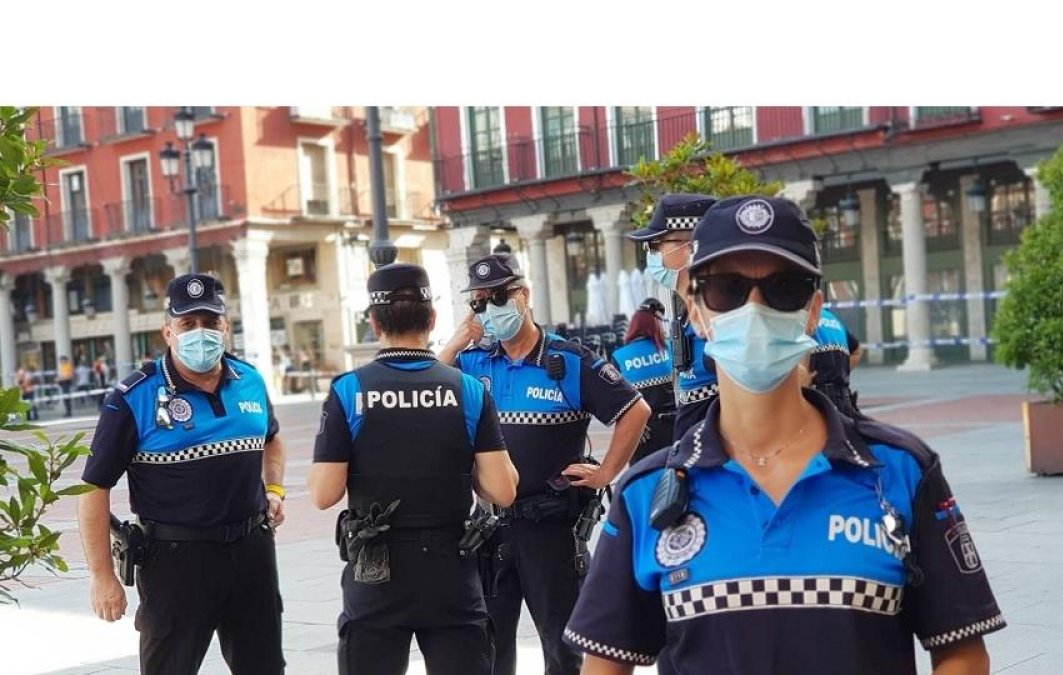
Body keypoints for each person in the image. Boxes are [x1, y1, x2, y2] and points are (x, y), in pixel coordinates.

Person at [565, 196, 1004, 674]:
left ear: (813, 311)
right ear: (695, 310)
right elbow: (604, 665)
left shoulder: (900, 471)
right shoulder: (646, 494)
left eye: (785, 288)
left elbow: (960, 650)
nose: (754, 308)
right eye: (727, 289)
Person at [437, 253, 651, 675]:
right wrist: (454, 343)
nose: (489, 309)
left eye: (497, 297)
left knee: (565, 647)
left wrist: (607, 472)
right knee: (488, 649)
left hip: (550, 530)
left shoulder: (568, 360)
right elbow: (426, 389)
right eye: (479, 303)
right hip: (491, 529)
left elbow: (635, 410)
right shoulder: (473, 361)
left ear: (524, 295)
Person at [309, 262, 519, 675]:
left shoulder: (350, 390)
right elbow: (504, 489)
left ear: (373, 322)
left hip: (377, 570)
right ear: (432, 318)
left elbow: (323, 494)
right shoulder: (467, 390)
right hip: (451, 569)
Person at [76, 273, 288, 675]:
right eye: (188, 324)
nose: (200, 333)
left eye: (210, 323)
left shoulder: (250, 381)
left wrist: (274, 489)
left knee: (264, 667)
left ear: (226, 328)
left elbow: (272, 440)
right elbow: (92, 488)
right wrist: (101, 576)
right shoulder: (132, 398)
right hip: (176, 561)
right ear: (168, 332)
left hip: (252, 554)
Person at [625, 194, 719, 443]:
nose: (651, 254)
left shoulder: (717, 315)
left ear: (690, 247)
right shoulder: (690, 311)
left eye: (656, 245)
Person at [610, 298, 675, 463]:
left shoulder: (619, 356)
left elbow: (615, 400)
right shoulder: (669, 348)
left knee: (642, 480)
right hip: (672, 425)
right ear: (656, 325)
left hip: (640, 429)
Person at [809, 306, 865, 416]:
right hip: (843, 400)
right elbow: (856, 351)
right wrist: (838, 373)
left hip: (816, 402)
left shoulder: (800, 318)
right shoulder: (830, 318)